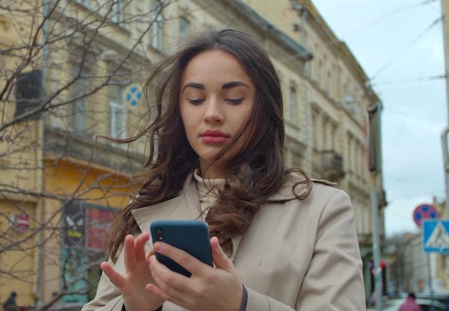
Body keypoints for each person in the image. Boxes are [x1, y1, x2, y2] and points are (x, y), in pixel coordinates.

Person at [83, 29, 365, 310]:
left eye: (233, 99)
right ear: (179, 110)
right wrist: (134, 308)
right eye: (195, 99)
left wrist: (240, 304)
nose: (211, 113)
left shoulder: (322, 209)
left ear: (264, 109)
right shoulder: (149, 206)